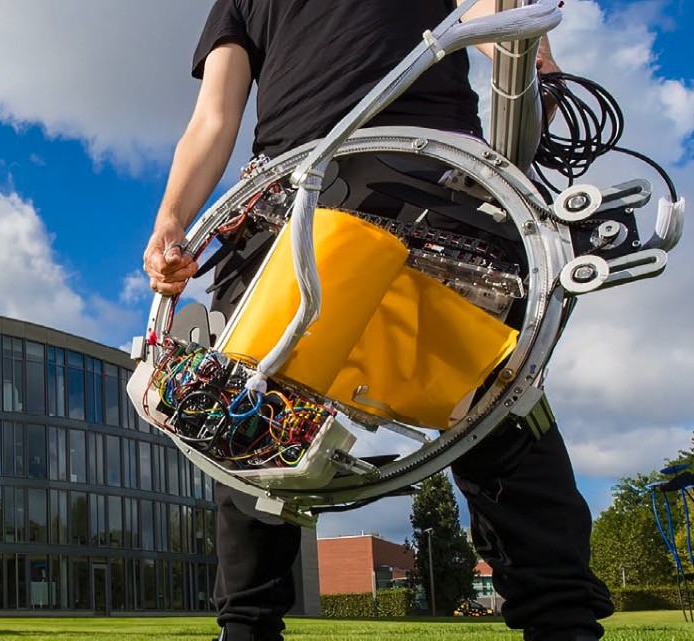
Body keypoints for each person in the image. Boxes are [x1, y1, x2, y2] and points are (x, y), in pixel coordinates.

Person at [141, 2, 614, 640]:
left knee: (494, 399)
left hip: (434, 185)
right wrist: (171, 224)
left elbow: (510, 34)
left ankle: (561, 619)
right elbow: (214, 118)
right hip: (294, 199)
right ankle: (247, 627)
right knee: (244, 419)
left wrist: (536, 77)